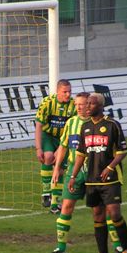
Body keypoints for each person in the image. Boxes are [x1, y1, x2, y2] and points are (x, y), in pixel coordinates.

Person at [47, 92, 125, 253]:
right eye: (76, 105)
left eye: (82, 104)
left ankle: (117, 246)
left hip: (94, 173)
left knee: (104, 211)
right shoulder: (71, 123)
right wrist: (57, 168)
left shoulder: (102, 124)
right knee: (66, 207)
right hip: (74, 172)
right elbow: (63, 146)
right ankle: (60, 247)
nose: (80, 108)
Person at [68, 92, 127, 253]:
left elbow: (122, 151)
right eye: (86, 103)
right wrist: (73, 177)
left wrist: (110, 167)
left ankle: (126, 252)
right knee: (97, 216)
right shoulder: (85, 127)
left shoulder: (112, 125)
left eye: (91, 104)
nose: (87, 107)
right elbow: (80, 155)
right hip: (92, 179)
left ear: (101, 106)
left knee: (114, 213)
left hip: (110, 179)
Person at [35, 79, 76, 214]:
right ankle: (46, 193)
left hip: (65, 139)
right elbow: (39, 126)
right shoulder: (47, 103)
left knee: (60, 170)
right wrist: (38, 148)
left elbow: (73, 130)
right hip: (48, 136)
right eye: (65, 92)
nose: (68, 94)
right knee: (48, 156)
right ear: (58, 91)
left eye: (69, 91)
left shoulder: (74, 105)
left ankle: (55, 203)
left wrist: (61, 149)